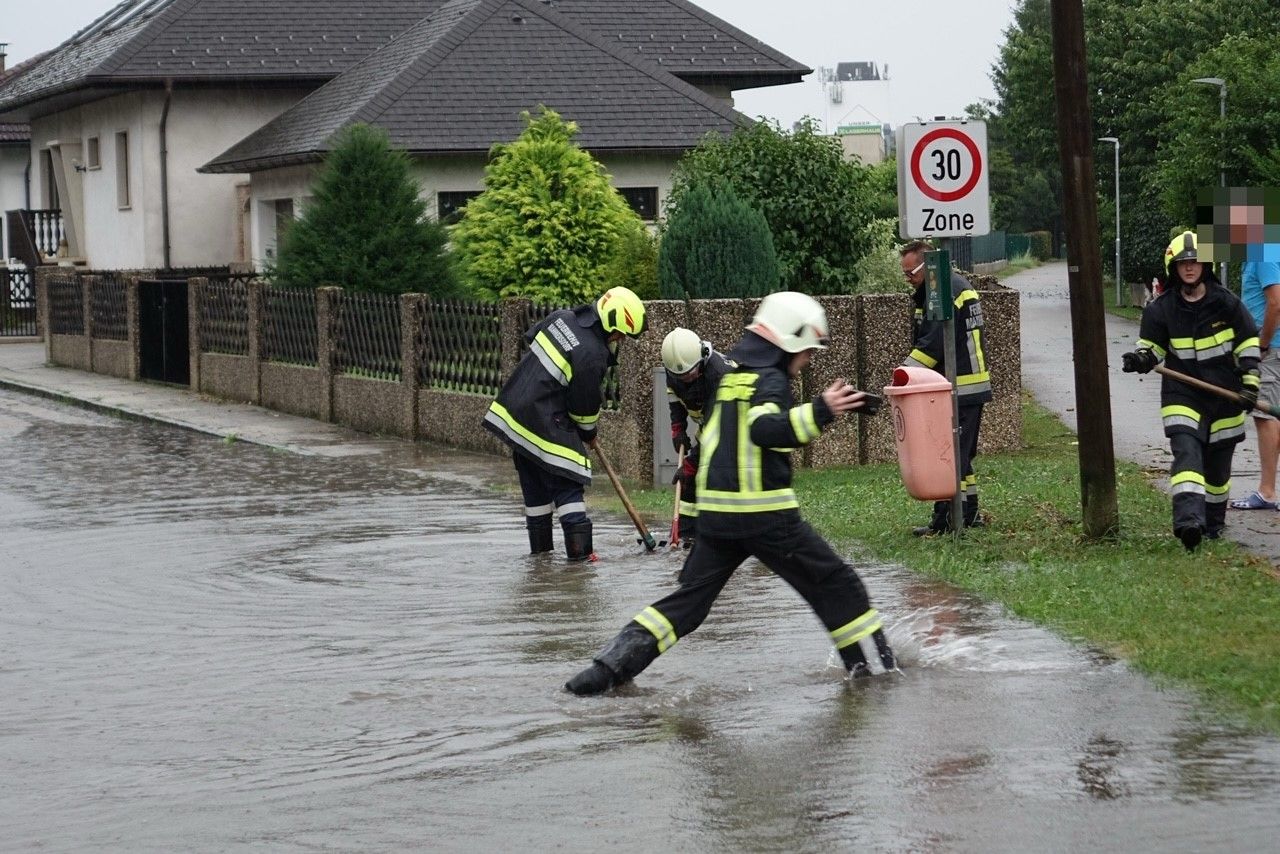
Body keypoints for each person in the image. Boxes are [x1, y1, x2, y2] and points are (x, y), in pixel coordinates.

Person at [564, 292, 895, 695]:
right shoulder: (769, 380)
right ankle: (877, 677)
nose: (808, 358)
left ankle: (602, 673)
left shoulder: (734, 377)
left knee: (688, 604)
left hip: (717, 517)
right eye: (807, 348)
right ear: (787, 341)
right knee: (837, 584)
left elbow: (719, 440)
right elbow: (766, 429)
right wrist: (822, 409)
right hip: (764, 515)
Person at [483, 286, 647, 561]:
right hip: (543, 419)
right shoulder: (592, 353)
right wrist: (589, 431)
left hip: (513, 418)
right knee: (568, 479)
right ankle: (581, 563)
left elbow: (532, 342)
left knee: (535, 489)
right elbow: (584, 403)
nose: (620, 339)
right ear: (611, 325)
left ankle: (541, 560)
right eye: (621, 334)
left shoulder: (560, 318)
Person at [1121, 231, 1260, 550]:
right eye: (1183, 263)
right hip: (1182, 395)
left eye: (1195, 262)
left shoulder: (1226, 303)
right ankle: (1188, 523)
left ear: (1205, 266)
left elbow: (1248, 341)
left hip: (1226, 396)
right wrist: (1141, 359)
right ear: (1173, 268)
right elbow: (1152, 348)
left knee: (1217, 469)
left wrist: (1250, 381)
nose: (1189, 267)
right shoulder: (1160, 309)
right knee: (1187, 452)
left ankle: (1212, 525)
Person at [898, 240, 992, 535]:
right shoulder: (950, 285)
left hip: (959, 387)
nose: (908, 279)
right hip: (965, 387)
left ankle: (948, 521)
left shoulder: (943, 292)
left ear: (928, 266)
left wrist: (903, 375)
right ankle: (969, 514)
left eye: (911, 273)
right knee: (960, 456)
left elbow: (933, 343)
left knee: (948, 457)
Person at [660, 327, 734, 548]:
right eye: (681, 376)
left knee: (721, 478)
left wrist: (691, 463)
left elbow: (716, 427)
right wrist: (677, 429)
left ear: (701, 356)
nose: (687, 379)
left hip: (736, 426)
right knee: (688, 481)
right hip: (711, 425)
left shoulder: (719, 375)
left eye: (691, 373)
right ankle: (686, 534)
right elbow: (674, 395)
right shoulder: (673, 369)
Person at [1229, 237, 1280, 510]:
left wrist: (1261, 344)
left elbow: (1275, 303)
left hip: (1272, 349)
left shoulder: (1265, 253)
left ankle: (1267, 492)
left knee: (1265, 416)